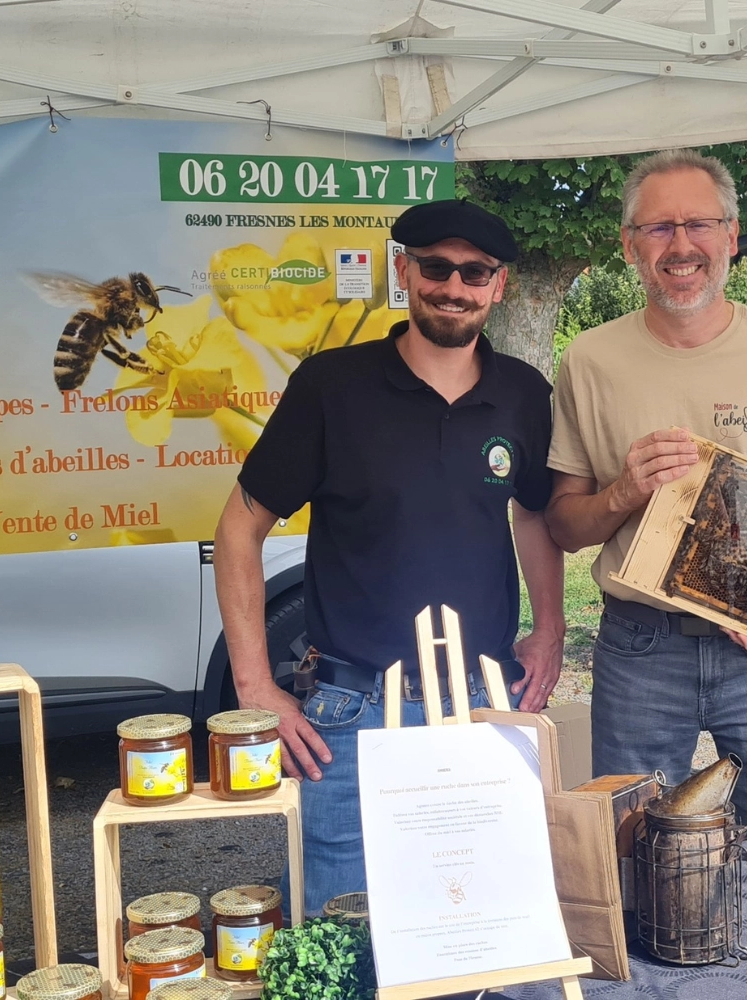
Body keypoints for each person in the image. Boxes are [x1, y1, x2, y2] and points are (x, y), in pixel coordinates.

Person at [213, 199, 565, 913]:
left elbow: (534, 512)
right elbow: (238, 529)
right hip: (351, 710)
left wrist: (551, 628)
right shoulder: (330, 386)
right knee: (342, 933)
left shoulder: (523, 393)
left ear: (499, 286)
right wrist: (254, 686)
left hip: (480, 705)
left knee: (470, 920)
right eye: (435, 267)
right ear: (403, 271)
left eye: (475, 272)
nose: (453, 286)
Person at [545, 149, 747, 835]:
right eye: (658, 228)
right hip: (640, 649)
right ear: (629, 246)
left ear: (732, 235)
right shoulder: (589, 360)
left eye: (700, 224)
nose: (681, 245)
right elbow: (565, 527)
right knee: (635, 848)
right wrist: (624, 491)